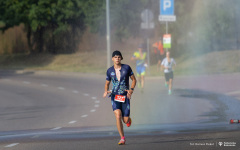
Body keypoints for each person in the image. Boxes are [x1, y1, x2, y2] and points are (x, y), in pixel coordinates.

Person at [103, 50, 136, 145]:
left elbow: (134, 80)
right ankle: (122, 138)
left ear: (121, 58)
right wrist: (106, 91)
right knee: (118, 115)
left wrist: (131, 89)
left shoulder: (127, 68)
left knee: (125, 120)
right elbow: (107, 84)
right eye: (115, 57)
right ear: (112, 59)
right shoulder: (109, 71)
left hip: (125, 96)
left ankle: (128, 119)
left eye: (119, 57)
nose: (117, 59)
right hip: (114, 96)